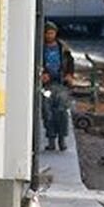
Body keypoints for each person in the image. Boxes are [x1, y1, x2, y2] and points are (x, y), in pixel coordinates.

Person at [39, 22, 75, 151]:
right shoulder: (39, 48)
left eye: (51, 33)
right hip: (46, 86)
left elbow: (70, 62)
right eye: (47, 33)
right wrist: (42, 74)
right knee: (47, 111)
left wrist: (69, 75)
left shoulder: (63, 48)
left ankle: (62, 139)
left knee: (61, 111)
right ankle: (51, 139)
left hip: (61, 85)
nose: (49, 35)